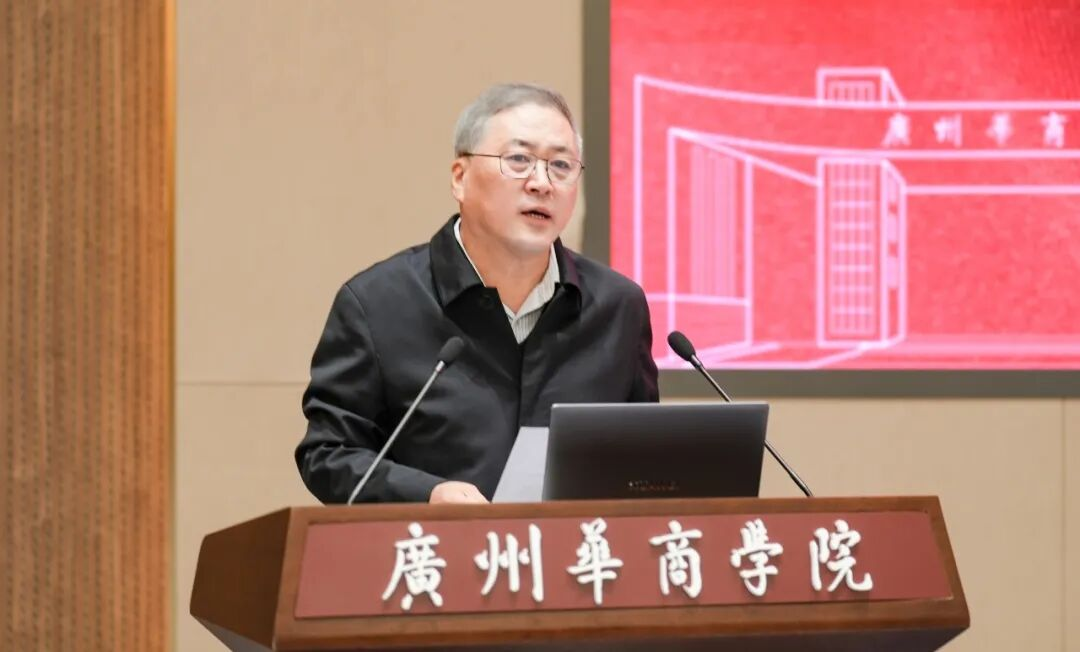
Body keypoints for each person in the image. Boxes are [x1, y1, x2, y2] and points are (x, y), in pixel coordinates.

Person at [295, 83, 658, 505]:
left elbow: (643, 460)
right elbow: (329, 453)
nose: (542, 183)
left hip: (576, 547)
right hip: (432, 544)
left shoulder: (617, 308)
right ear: (460, 178)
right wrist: (427, 494)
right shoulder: (378, 304)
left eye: (561, 165)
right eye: (518, 160)